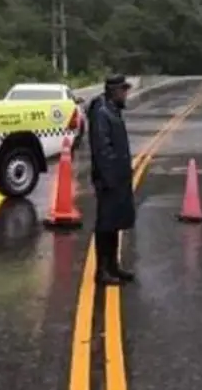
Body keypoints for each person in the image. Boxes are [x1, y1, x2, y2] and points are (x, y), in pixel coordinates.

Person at [88, 74, 136, 285]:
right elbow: (102, 150)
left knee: (115, 223)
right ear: (114, 91)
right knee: (106, 224)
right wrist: (111, 179)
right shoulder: (101, 113)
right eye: (123, 90)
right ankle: (102, 270)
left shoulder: (113, 110)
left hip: (118, 178)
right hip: (109, 180)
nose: (126, 94)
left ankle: (113, 266)